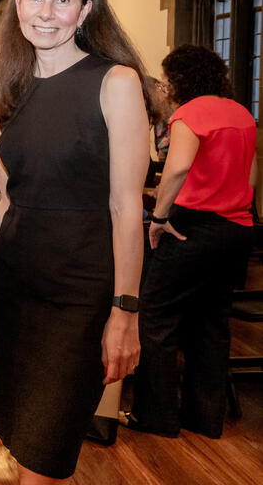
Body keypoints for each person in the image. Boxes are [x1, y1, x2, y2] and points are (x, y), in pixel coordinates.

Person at [0, 0, 151, 483]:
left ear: (85, 10)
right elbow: (9, 203)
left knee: (45, 456)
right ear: (18, 6)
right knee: (20, 439)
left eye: (62, 0)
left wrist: (125, 311)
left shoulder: (114, 81)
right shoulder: (7, 93)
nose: (46, 12)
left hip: (80, 296)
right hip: (14, 289)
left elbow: (127, 207)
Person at [129, 45, 256, 439]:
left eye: (168, 79)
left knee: (155, 315)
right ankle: (204, 419)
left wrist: (160, 218)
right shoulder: (241, 113)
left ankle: (157, 417)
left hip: (193, 225)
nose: (165, 87)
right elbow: (251, 178)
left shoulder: (190, 113)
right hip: (237, 228)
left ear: (181, 80)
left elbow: (178, 166)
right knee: (212, 323)